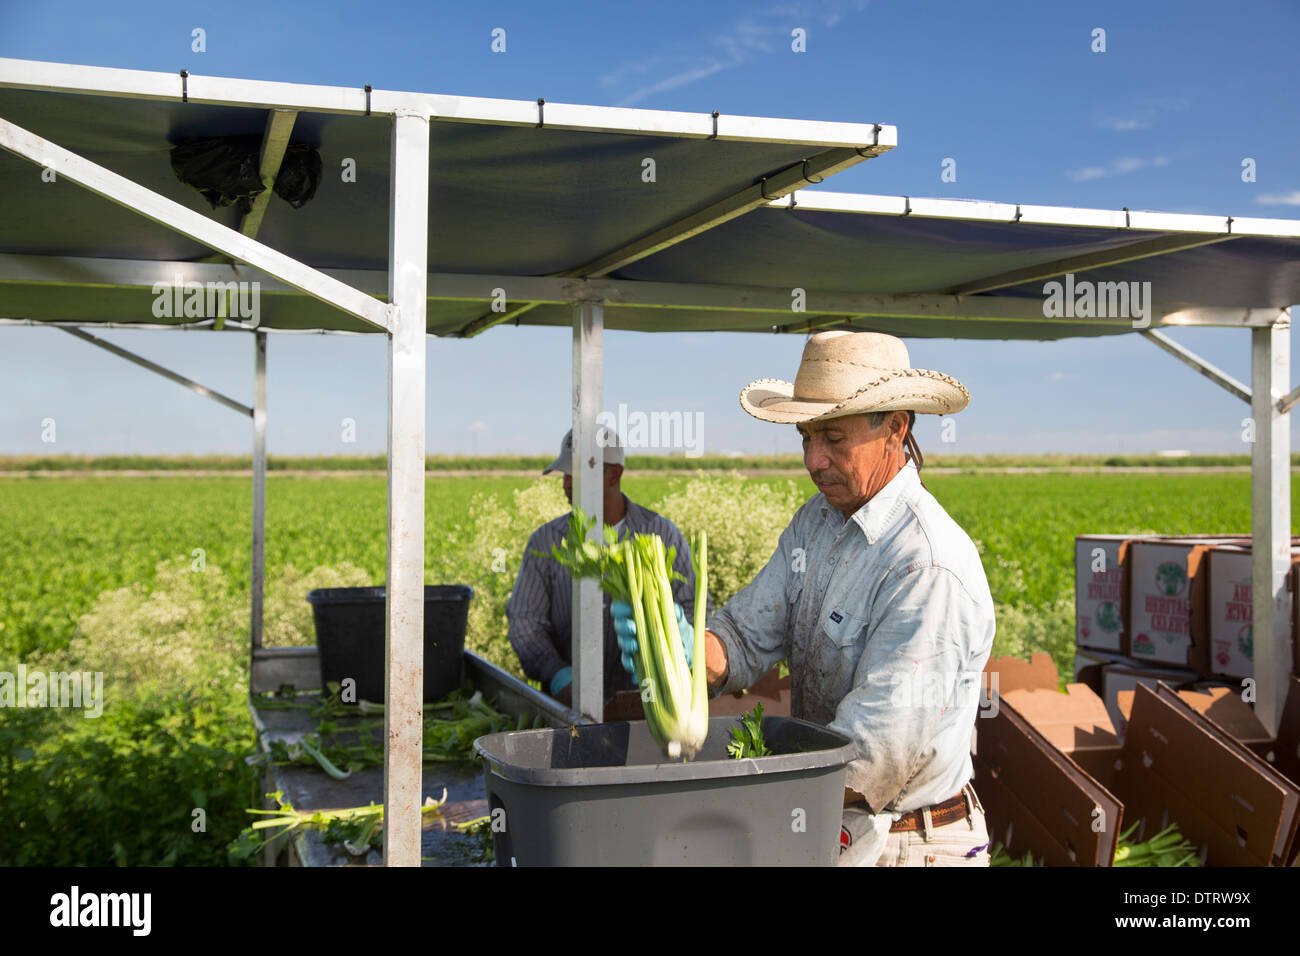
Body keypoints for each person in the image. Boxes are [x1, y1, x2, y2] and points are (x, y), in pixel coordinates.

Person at [615, 331, 995, 867]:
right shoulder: (816, 523)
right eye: (805, 439)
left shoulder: (924, 564)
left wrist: (732, 785)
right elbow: (745, 637)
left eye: (834, 439)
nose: (813, 461)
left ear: (895, 429)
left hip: (909, 844)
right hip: (829, 820)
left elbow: (873, 757)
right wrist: (681, 650)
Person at [507, 426, 704, 710]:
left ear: (614, 474)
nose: (567, 484)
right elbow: (525, 622)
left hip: (648, 708)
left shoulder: (660, 534)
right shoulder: (547, 541)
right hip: (567, 712)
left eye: (578, 473)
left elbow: (696, 607)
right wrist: (558, 675)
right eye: (565, 474)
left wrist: (678, 649)